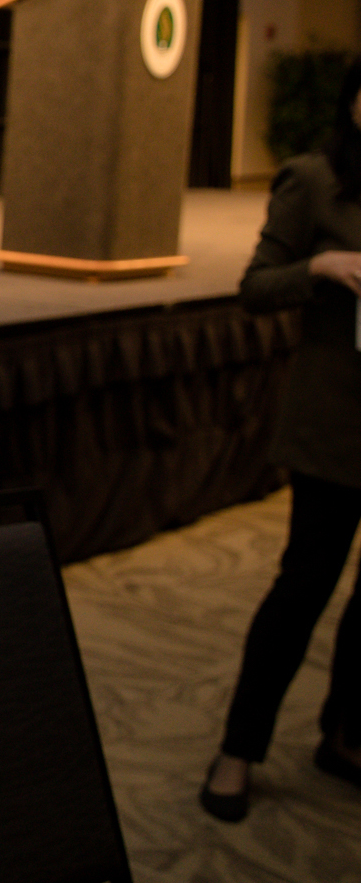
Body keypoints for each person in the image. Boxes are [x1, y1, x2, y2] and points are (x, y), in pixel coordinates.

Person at [202, 58, 361, 822]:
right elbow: (256, 287)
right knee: (302, 590)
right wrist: (321, 266)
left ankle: (346, 734)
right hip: (335, 424)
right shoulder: (312, 179)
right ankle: (238, 750)